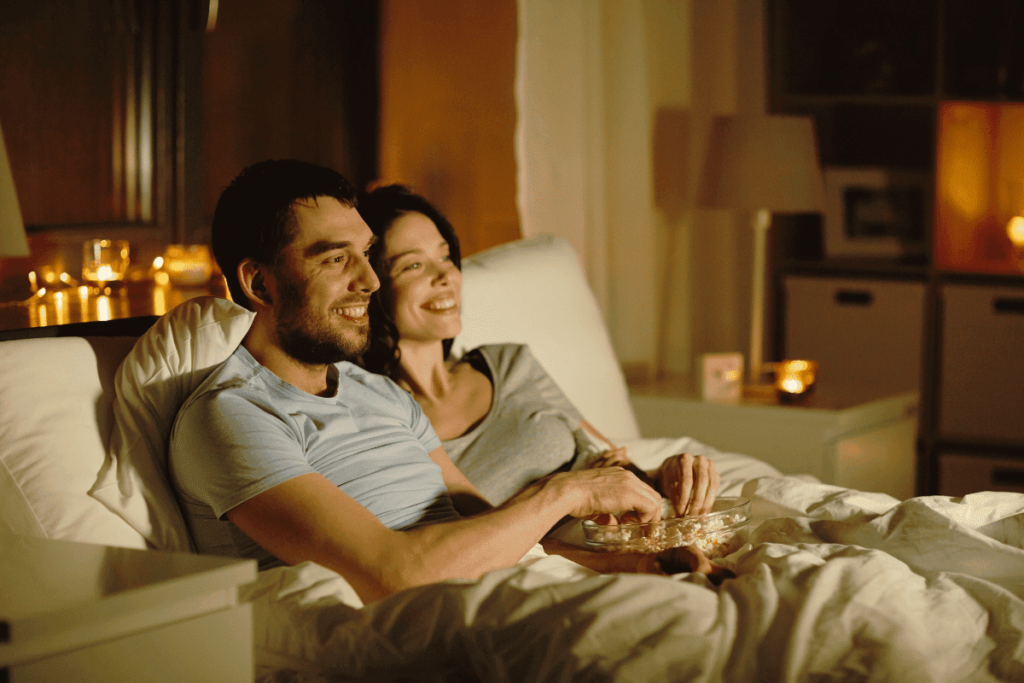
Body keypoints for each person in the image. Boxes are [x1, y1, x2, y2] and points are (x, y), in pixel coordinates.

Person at [168, 160, 707, 607]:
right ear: (258, 282)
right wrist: (566, 490)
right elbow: (391, 574)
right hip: (408, 627)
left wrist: (635, 564)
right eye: (337, 259)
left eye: (366, 254)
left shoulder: (377, 392)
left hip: (500, 594)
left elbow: (495, 535)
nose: (370, 280)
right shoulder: (232, 415)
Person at [357, 184, 721, 519]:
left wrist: (669, 475)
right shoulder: (385, 419)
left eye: (446, 256)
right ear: (370, 289)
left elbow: (613, 460)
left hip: (618, 533)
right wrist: (572, 494)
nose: (446, 276)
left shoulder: (508, 362)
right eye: (413, 265)